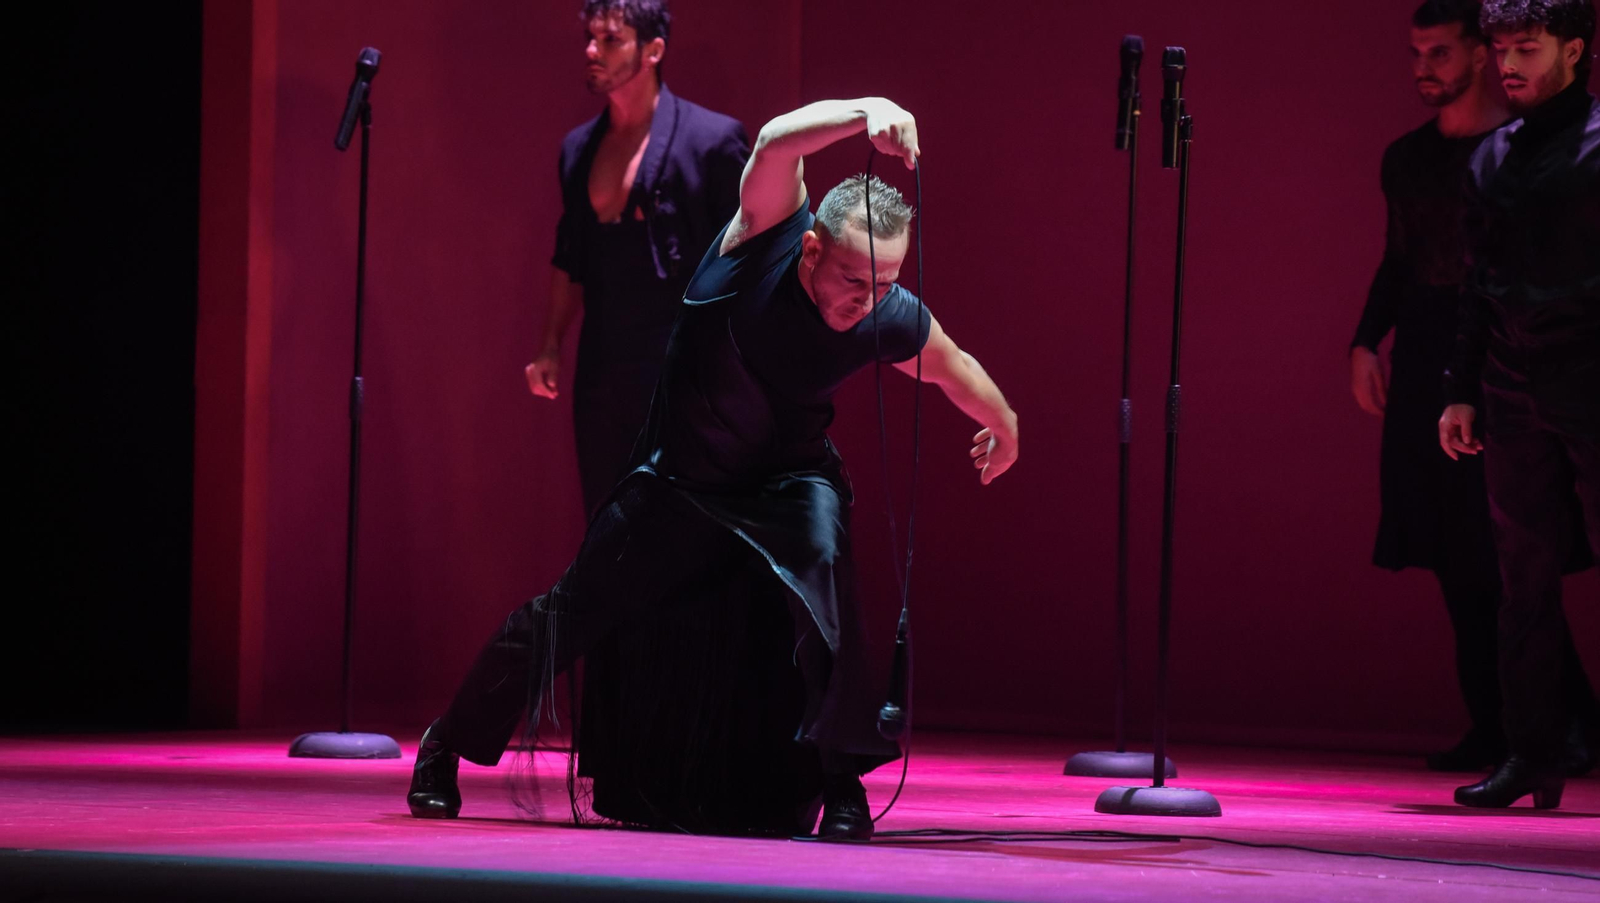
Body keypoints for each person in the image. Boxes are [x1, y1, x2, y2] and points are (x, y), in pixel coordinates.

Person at [409, 97, 1021, 839]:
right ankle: (447, 742)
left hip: (790, 483)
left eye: (885, 283)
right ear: (811, 251)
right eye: (855, 279)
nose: (869, 300)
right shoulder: (763, 238)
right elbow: (774, 143)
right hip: (683, 477)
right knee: (574, 609)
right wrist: (868, 109)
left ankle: (842, 784)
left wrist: (1004, 424)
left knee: (826, 579)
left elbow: (951, 365)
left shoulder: (880, 309)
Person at [1440, 0, 1600, 809]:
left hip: (1594, 377)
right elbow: (1477, 282)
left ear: (1574, 49)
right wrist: (1460, 388)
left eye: (1526, 49)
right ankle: (1533, 753)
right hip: (1511, 384)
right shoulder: (1491, 154)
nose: (1506, 65)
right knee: (1522, 579)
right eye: (1500, 48)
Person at [1350, 0, 1517, 773]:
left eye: (1440, 53)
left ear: (1480, 55)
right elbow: (1402, 258)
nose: (1423, 68)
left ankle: (1543, 723)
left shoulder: (1518, 151)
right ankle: (1499, 724)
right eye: (1416, 54)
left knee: (1500, 549)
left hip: (1497, 359)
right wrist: (1365, 341)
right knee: (1452, 548)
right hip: (1423, 357)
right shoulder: (1409, 158)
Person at [528, 0, 748, 515]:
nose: (592, 50)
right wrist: (550, 346)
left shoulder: (711, 141)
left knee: (680, 523)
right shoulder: (579, 148)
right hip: (604, 369)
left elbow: (748, 259)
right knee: (607, 517)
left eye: (611, 39)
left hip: (682, 367)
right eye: (590, 37)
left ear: (653, 51)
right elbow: (571, 256)